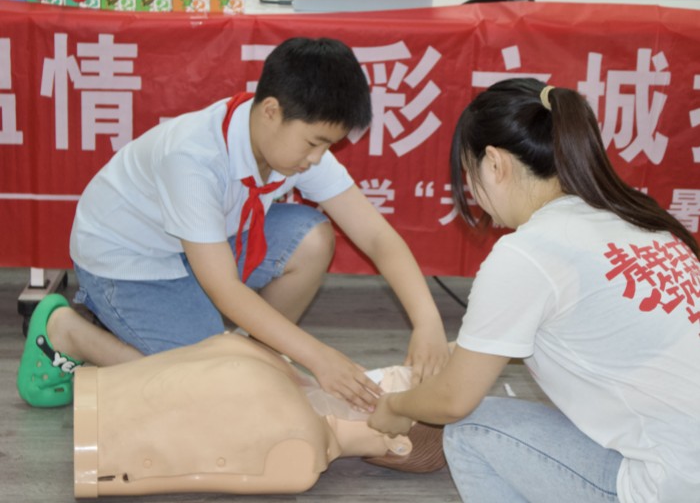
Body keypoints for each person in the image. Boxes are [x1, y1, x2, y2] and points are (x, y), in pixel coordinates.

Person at [16, 37, 448, 410]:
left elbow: (376, 236)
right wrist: (318, 357)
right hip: (127, 263)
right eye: (314, 143)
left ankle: (250, 360)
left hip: (200, 248)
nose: (317, 158)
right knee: (213, 389)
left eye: (328, 146)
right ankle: (68, 332)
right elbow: (224, 288)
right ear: (271, 111)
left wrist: (427, 320)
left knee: (313, 240)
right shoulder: (193, 158)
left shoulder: (291, 145)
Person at [368, 78, 700, 503]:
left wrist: (395, 406)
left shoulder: (529, 252)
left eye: (469, 173)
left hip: (671, 485)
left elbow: (453, 401)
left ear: (494, 163)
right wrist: (459, 353)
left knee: (470, 430)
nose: (473, 191)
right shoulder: (639, 220)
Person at [65, 300, 446, 498]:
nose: (381, 375)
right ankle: (70, 336)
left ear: (398, 443)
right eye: (392, 372)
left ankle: (70, 335)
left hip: (97, 449)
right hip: (98, 395)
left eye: (395, 384)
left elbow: (190, 475)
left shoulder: (301, 452)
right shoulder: (290, 380)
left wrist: (98, 469)